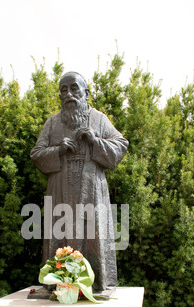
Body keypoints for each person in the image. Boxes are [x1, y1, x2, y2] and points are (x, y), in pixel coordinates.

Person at [30, 71, 129, 292]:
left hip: (92, 193)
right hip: (59, 194)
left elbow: (120, 145)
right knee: (59, 234)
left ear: (86, 93)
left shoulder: (99, 119)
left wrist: (95, 140)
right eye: (63, 90)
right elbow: (36, 154)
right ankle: (60, 284)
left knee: (93, 234)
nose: (69, 94)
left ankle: (95, 284)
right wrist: (58, 149)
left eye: (74, 88)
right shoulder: (53, 122)